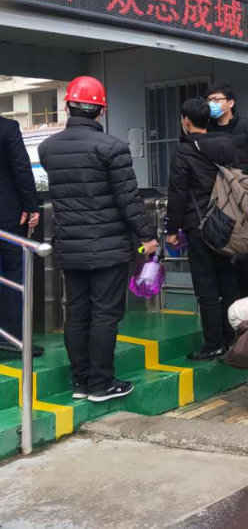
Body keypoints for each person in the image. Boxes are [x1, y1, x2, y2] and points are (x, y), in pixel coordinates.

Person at [39, 77, 157, 402]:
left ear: (67, 106)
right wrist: (147, 236)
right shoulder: (112, 148)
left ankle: (80, 382)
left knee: (76, 313)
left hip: (70, 246)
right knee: (104, 314)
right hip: (109, 246)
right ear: (101, 110)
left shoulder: (48, 149)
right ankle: (101, 384)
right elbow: (128, 200)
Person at [165, 98, 239, 362]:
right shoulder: (227, 145)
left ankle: (213, 344)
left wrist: (171, 229)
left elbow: (178, 193)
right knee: (228, 283)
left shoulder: (183, 152)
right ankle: (231, 338)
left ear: (186, 121)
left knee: (206, 286)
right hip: (228, 223)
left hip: (199, 227)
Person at [206, 83, 248, 302]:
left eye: (217, 99)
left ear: (231, 103)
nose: (212, 104)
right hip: (218, 206)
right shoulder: (206, 129)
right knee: (221, 267)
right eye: (209, 100)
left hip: (245, 205)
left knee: (247, 263)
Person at [0, 115, 41, 357]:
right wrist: (31, 205)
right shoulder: (7, 128)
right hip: (7, 214)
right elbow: (21, 168)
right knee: (14, 270)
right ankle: (12, 336)